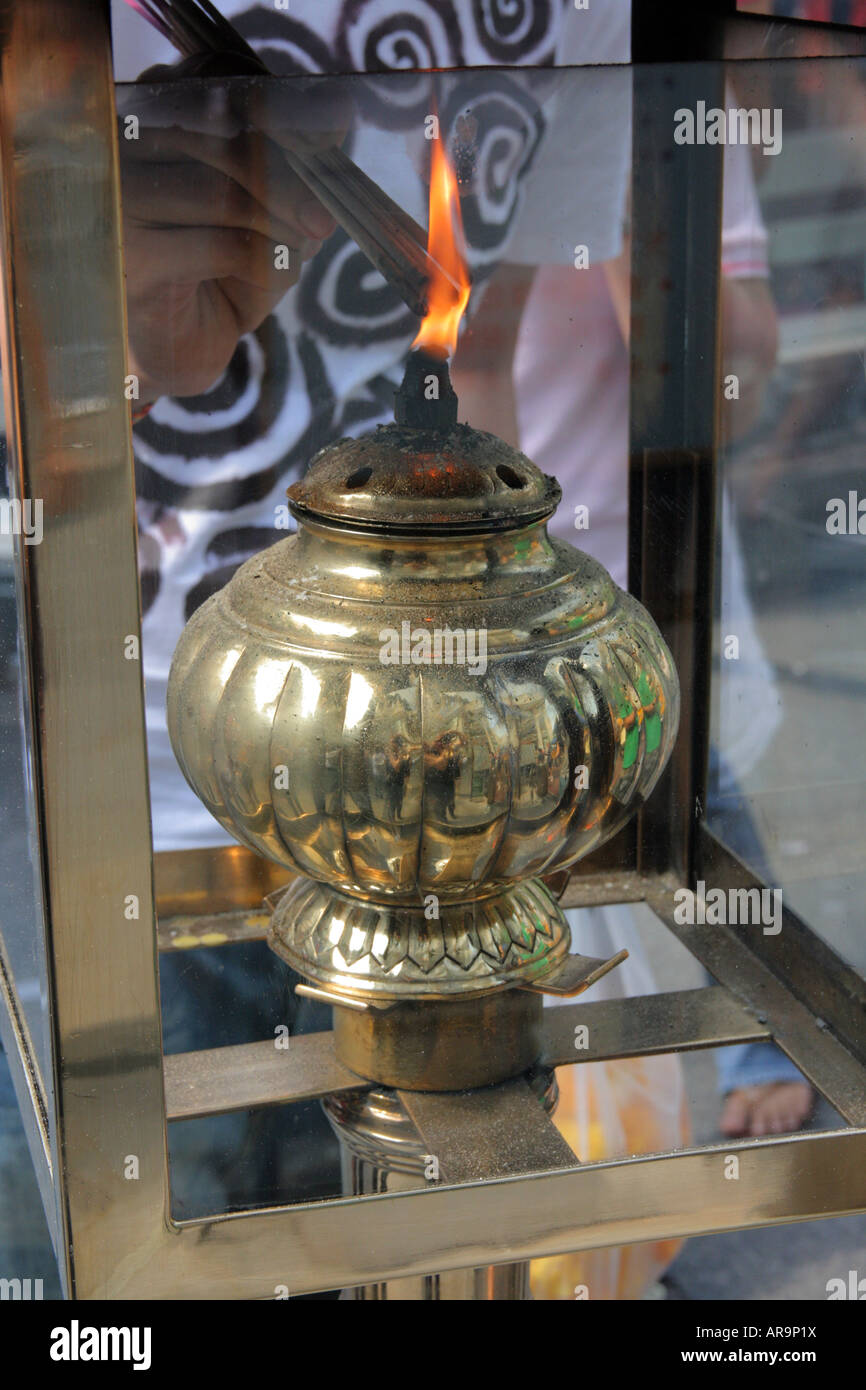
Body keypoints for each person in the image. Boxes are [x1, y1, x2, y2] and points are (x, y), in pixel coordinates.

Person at [111, 0, 810, 1232]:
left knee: (468, 1227)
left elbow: (477, 354)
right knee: (204, 1229)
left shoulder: (590, 14)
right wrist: (90, 341)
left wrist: (511, 676)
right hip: (176, 776)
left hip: (459, 822)